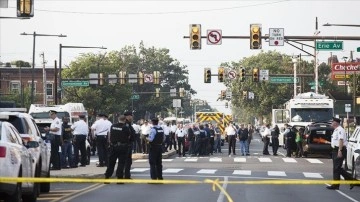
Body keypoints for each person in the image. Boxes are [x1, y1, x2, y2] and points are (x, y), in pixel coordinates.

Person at [326, 117, 353, 190]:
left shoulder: (340, 130)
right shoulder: (336, 130)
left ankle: (351, 180)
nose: (331, 122)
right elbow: (336, 141)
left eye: (333, 121)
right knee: (336, 168)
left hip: (339, 149)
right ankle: (336, 185)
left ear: (336, 123)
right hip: (335, 149)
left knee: (337, 168)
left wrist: (340, 150)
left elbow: (341, 140)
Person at [104, 115, 131, 184]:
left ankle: (107, 177)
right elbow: (129, 136)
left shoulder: (113, 126)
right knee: (121, 163)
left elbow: (110, 135)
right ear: (125, 120)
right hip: (123, 147)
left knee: (111, 163)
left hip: (114, 146)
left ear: (118, 119)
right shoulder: (125, 127)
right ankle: (119, 179)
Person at [124, 111, 135, 179]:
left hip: (127, 144)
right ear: (128, 116)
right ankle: (126, 175)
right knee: (127, 161)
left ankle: (126, 175)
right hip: (127, 145)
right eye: (131, 116)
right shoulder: (126, 124)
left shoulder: (128, 124)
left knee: (127, 161)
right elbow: (128, 134)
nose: (132, 117)